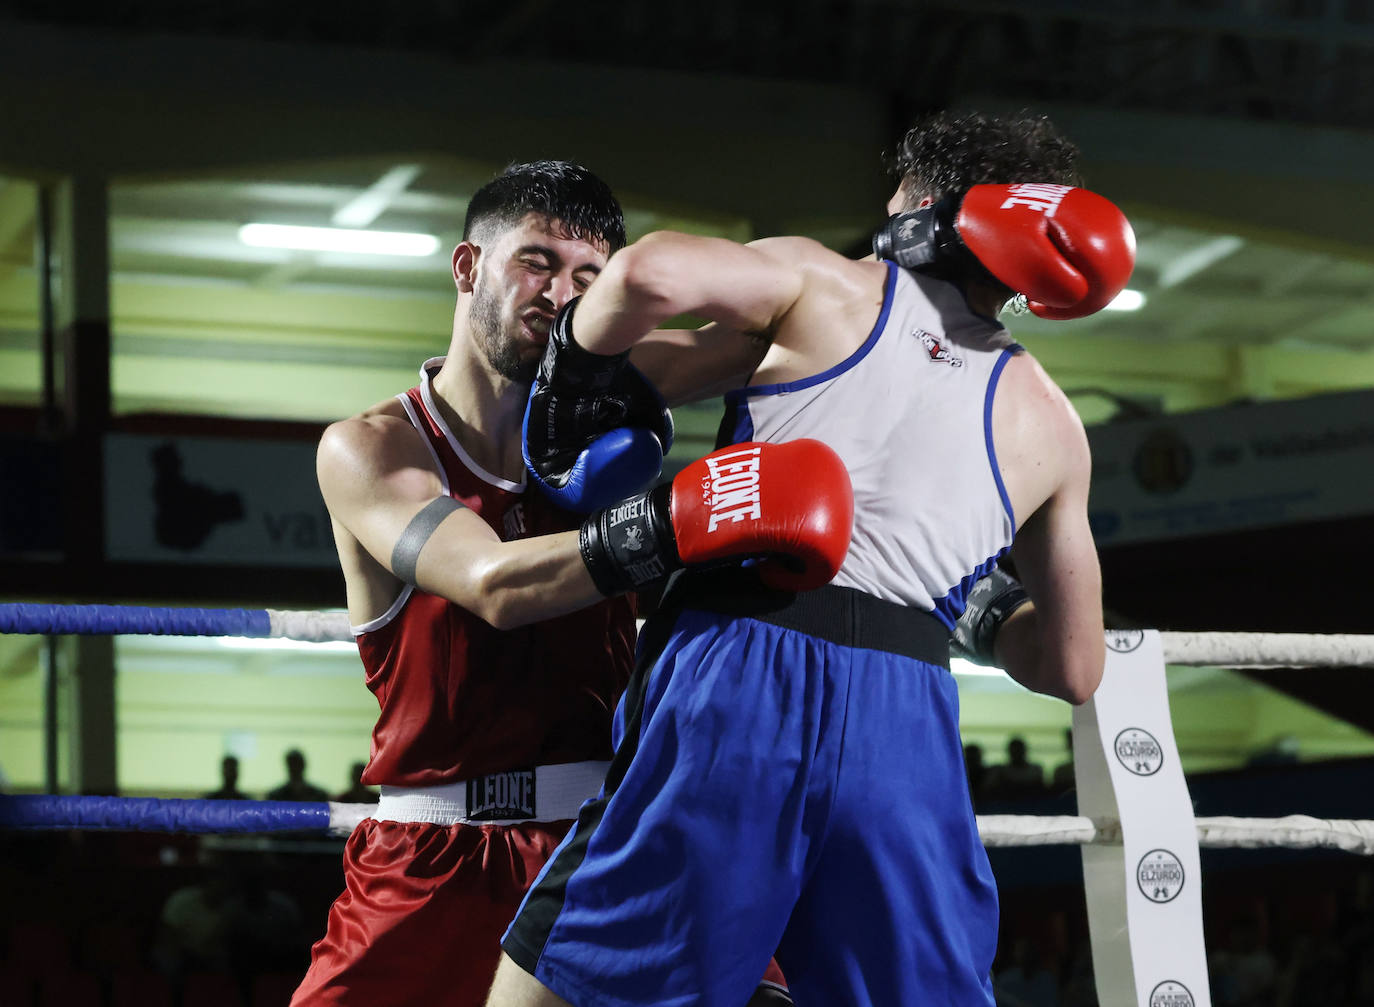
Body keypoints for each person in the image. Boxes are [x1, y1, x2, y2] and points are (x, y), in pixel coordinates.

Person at [490, 111, 1128, 1007]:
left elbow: (646, 271)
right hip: (909, 717)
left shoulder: (830, 284)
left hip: (744, 665)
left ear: (921, 206)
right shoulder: (1054, 423)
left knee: (576, 982)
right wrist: (973, 599)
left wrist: (571, 376)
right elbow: (1073, 663)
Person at [300, 160, 834, 1007]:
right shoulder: (373, 449)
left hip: (607, 838)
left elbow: (794, 319)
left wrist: (913, 271)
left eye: (591, 277)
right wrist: (677, 520)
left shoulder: (621, 390)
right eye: (537, 262)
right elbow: (493, 584)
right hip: (431, 854)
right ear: (469, 267)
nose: (562, 295)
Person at [984, 735, 1048, 802]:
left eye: (1019, 750)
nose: (1017, 753)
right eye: (1015, 750)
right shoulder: (999, 770)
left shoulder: (1036, 769)